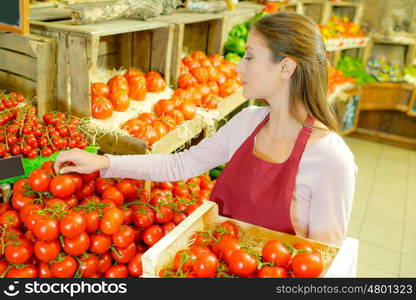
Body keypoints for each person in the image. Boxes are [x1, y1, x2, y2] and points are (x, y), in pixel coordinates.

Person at [55, 12, 357, 247]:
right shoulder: (247, 122)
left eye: (250, 56)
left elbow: (323, 257)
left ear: (286, 68)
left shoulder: (331, 159)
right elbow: (181, 163)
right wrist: (104, 162)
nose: (238, 66)